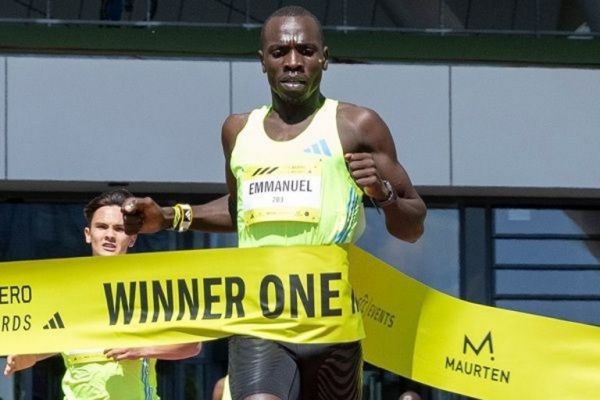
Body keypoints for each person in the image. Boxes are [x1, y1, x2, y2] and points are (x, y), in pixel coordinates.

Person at [121, 5, 426, 400]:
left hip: (331, 323)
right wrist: (169, 216)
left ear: (325, 59)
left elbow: (413, 226)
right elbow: (239, 208)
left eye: (306, 51)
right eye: (280, 52)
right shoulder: (238, 130)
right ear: (262, 61)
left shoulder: (357, 125)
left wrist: (383, 194)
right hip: (259, 318)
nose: (294, 62)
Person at [3, 189, 201, 399]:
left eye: (119, 228)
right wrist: (31, 355)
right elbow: (61, 339)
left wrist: (142, 348)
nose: (109, 235)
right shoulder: (67, 289)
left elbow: (192, 344)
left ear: (132, 238)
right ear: (88, 234)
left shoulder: (147, 289)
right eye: (102, 227)